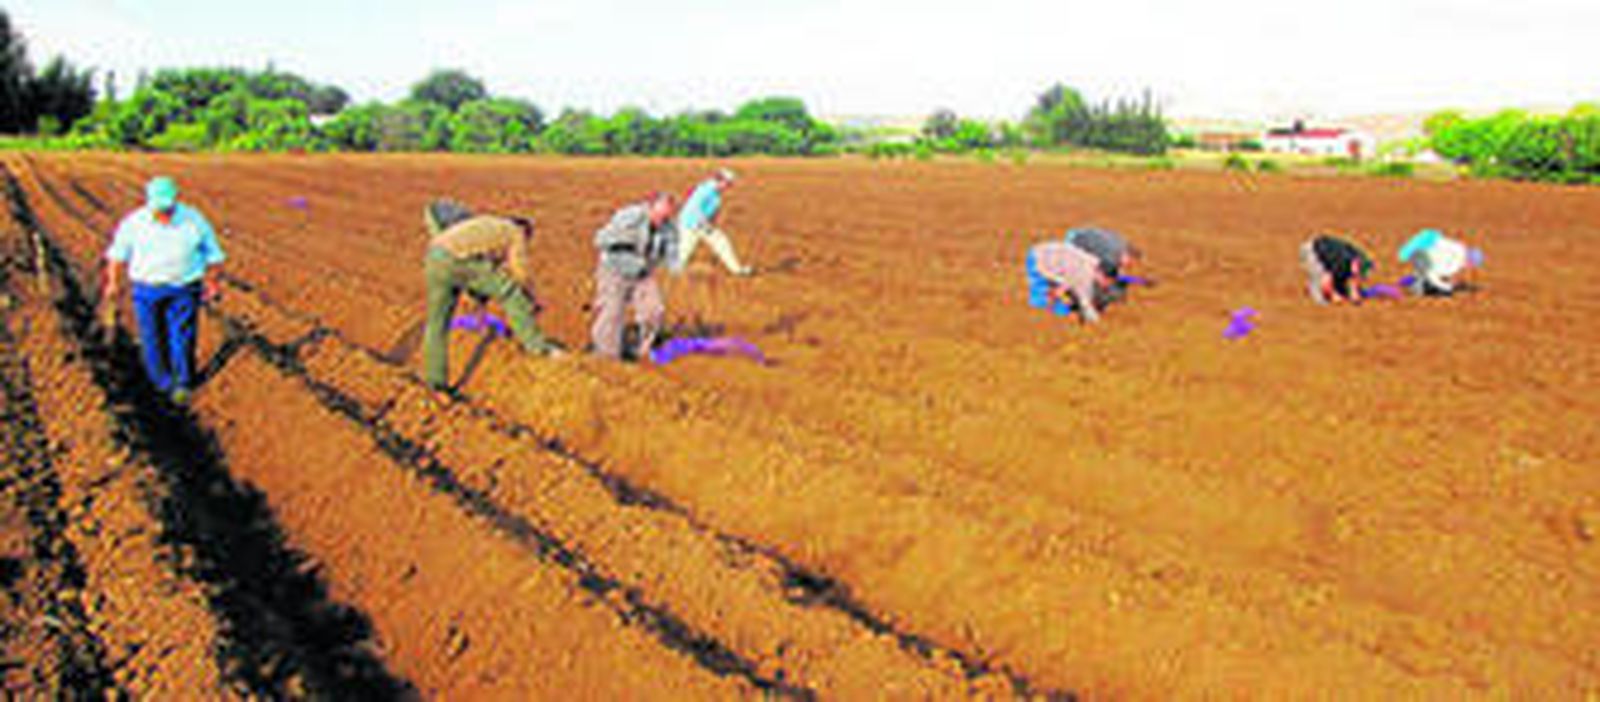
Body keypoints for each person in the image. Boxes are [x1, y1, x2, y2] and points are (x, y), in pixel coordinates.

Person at [103, 177, 225, 405]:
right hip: (146, 290)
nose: (163, 213)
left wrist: (213, 282)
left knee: (183, 336)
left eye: (167, 208)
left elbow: (214, 255)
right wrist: (113, 283)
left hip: (184, 288)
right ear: (148, 202)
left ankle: (182, 382)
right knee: (151, 336)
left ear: (176, 200)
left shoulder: (194, 220)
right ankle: (160, 383)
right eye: (159, 209)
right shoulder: (134, 223)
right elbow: (117, 255)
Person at [423, 213, 560, 390]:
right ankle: (539, 349)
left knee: (437, 323)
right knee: (511, 293)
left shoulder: (491, 227)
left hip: (434, 256)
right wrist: (531, 298)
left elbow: (479, 273)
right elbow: (520, 273)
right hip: (456, 258)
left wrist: (479, 299)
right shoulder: (515, 232)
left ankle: (435, 383)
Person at [592, 191, 677, 360]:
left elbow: (671, 249)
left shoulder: (668, 227)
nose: (662, 221)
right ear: (650, 207)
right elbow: (600, 239)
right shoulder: (630, 217)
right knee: (612, 313)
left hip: (642, 272)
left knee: (654, 311)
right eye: (660, 216)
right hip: (614, 270)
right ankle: (606, 357)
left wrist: (673, 265)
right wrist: (624, 240)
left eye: (666, 217)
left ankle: (642, 352)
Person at [673, 168, 752, 276]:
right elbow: (695, 207)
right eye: (728, 183)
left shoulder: (713, 190)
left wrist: (712, 222)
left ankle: (737, 269)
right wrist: (704, 223)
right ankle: (737, 270)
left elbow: (707, 208)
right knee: (719, 243)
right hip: (693, 223)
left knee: (689, 248)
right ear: (721, 180)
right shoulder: (707, 190)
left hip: (693, 223)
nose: (729, 186)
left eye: (730, 184)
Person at [1026, 239, 1110, 324]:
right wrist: (1095, 320)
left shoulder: (1091, 262)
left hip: (1044, 253)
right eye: (1106, 281)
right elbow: (1083, 300)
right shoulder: (1085, 273)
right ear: (1102, 274)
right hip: (1039, 259)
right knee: (1054, 305)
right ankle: (1039, 317)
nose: (1105, 284)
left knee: (1061, 297)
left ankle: (1046, 310)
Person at [1064, 226, 1142, 305]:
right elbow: (1092, 267)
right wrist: (1102, 281)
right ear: (1127, 256)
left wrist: (1138, 280)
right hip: (1073, 246)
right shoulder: (1110, 257)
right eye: (1129, 263)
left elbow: (1116, 272)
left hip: (1077, 233)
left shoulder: (1122, 243)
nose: (1128, 266)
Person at [1398, 228, 1483, 296]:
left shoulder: (1458, 248)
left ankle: (1410, 282)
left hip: (1427, 244)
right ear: (1469, 263)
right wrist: (1447, 287)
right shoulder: (1453, 265)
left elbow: (1440, 244)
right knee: (1442, 291)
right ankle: (1413, 284)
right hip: (1422, 253)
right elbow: (1432, 273)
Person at [1300, 234, 1374, 304]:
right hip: (1312, 251)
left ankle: (1315, 285)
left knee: (1342, 289)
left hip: (1329, 253)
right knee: (1323, 300)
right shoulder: (1340, 261)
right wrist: (1334, 296)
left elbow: (1355, 278)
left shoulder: (1362, 260)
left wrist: (1354, 292)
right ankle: (1313, 286)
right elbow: (1327, 281)